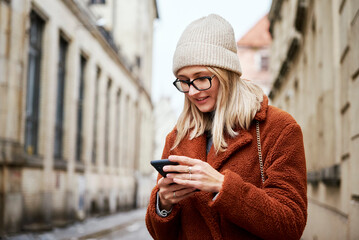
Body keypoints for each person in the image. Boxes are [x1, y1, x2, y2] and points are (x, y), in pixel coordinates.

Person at [146, 14, 307, 240]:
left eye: (201, 78)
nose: (192, 91)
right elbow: (160, 235)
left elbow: (291, 224)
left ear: (226, 74)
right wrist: (163, 204)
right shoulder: (177, 137)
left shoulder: (278, 128)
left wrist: (223, 187)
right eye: (183, 81)